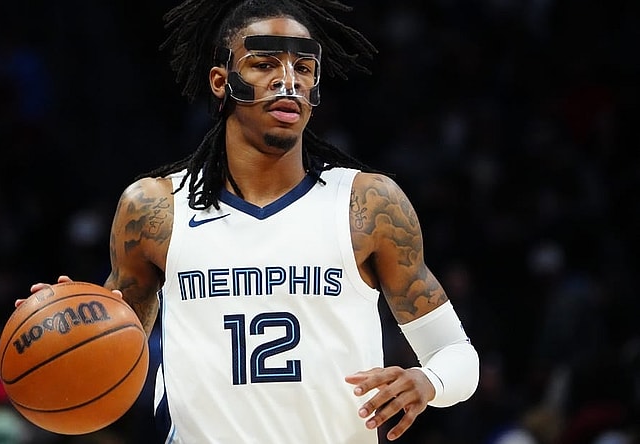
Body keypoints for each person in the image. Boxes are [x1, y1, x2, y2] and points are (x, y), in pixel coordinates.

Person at [25, 0, 480, 442]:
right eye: (264, 64)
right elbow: (111, 354)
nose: (288, 83)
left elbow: (457, 354)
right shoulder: (156, 209)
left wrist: (428, 382)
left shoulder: (366, 204)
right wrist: (66, 320)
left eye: (303, 69)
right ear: (221, 81)